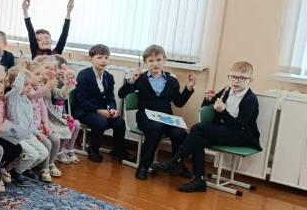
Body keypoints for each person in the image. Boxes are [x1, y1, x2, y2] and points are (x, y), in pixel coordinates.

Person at [154, 61, 260, 193]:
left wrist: (223, 111)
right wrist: (208, 100)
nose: (236, 81)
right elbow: (205, 109)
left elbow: (238, 126)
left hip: (242, 135)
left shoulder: (251, 100)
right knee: (197, 139)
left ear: (250, 80)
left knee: (198, 128)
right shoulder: (227, 90)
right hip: (225, 130)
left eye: (242, 78)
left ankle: (176, 161)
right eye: (233, 76)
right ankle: (199, 180)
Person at [118, 45, 195, 180]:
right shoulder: (140, 79)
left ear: (164, 60)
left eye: (158, 60)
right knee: (155, 128)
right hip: (146, 117)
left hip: (166, 118)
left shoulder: (172, 81)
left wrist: (188, 88)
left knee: (180, 132)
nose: (155, 64)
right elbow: (121, 94)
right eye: (151, 60)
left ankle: (177, 165)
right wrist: (131, 80)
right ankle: (143, 166)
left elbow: (179, 102)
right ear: (145, 62)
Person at [73, 44, 127, 163]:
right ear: (91, 59)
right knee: (101, 122)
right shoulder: (83, 75)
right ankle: (93, 150)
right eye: (99, 57)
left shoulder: (109, 76)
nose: (103, 61)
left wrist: (112, 109)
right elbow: (82, 100)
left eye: (106, 58)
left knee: (119, 122)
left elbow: (111, 98)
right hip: (85, 111)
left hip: (102, 110)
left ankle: (118, 150)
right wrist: (98, 111)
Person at [4, 60, 49, 185]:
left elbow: (30, 120)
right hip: (15, 135)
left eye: (30, 84)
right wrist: (22, 70)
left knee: (44, 152)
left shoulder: (25, 99)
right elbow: (17, 87)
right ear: (14, 84)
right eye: (26, 84)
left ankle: (22, 169)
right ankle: (16, 172)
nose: (29, 87)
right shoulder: (11, 96)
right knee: (32, 154)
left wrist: (36, 132)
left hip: (27, 134)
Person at [53, 56, 81, 164]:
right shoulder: (54, 84)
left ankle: (69, 149)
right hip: (53, 116)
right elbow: (55, 100)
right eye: (61, 69)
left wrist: (65, 114)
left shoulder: (63, 82)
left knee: (77, 124)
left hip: (60, 113)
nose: (64, 72)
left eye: (65, 68)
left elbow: (62, 103)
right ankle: (59, 151)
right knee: (70, 126)